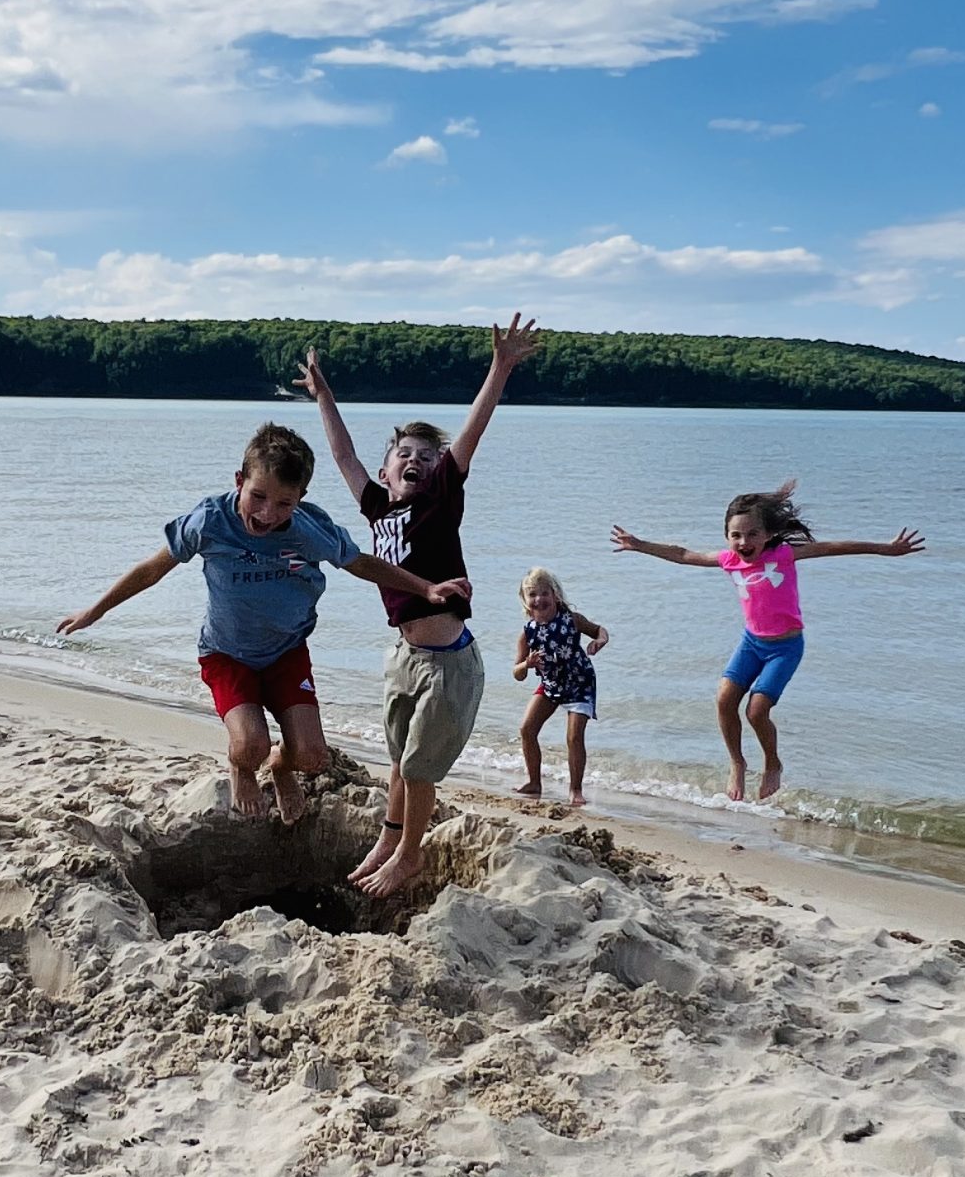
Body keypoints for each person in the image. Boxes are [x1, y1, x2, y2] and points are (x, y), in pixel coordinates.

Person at [57, 420, 467, 824]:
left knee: (312, 757)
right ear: (239, 480)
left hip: (287, 652)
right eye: (258, 496)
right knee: (248, 744)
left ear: (301, 498)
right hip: (226, 654)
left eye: (284, 503)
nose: (268, 514)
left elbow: (360, 563)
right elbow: (151, 569)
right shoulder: (210, 522)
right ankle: (242, 766)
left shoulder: (310, 530)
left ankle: (280, 765)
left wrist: (425, 588)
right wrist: (96, 610)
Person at [295, 314, 543, 897]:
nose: (416, 461)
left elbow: (470, 436)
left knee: (418, 769)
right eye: (405, 454)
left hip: (450, 664)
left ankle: (409, 855)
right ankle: (389, 836)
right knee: (398, 761)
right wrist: (325, 396)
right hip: (404, 657)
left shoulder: (438, 503)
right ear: (386, 472)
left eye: (427, 457)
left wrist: (500, 367)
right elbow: (342, 456)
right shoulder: (378, 508)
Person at [611, 483, 925, 803]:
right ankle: (737, 762)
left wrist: (884, 548)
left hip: (785, 648)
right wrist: (639, 544)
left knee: (757, 711)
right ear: (727, 537)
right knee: (723, 701)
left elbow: (834, 547)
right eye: (736, 535)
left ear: (766, 535)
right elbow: (682, 554)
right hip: (751, 643)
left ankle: (772, 763)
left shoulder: (784, 555)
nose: (743, 542)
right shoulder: (728, 560)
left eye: (751, 534)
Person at [513, 568, 608, 807]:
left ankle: (575, 790)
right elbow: (518, 674)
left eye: (544, 593)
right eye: (532, 594)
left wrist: (599, 641)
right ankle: (534, 782)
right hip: (551, 684)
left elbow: (599, 631)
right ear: (525, 601)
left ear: (555, 595)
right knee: (526, 728)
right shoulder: (527, 633)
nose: (539, 599)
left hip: (579, 682)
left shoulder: (572, 619)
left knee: (574, 736)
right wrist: (527, 663)